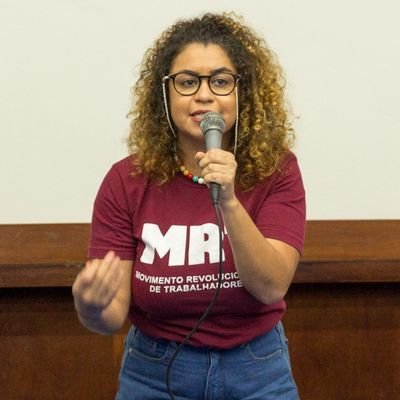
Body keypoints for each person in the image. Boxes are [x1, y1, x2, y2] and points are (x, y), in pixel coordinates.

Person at [72, 11, 306, 400]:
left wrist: (228, 199)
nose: (203, 94)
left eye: (220, 81)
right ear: (164, 93)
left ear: (242, 92)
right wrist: (90, 307)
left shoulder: (276, 171)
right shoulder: (126, 180)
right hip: (154, 372)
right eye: (186, 82)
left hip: (257, 371)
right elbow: (111, 316)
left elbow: (270, 286)